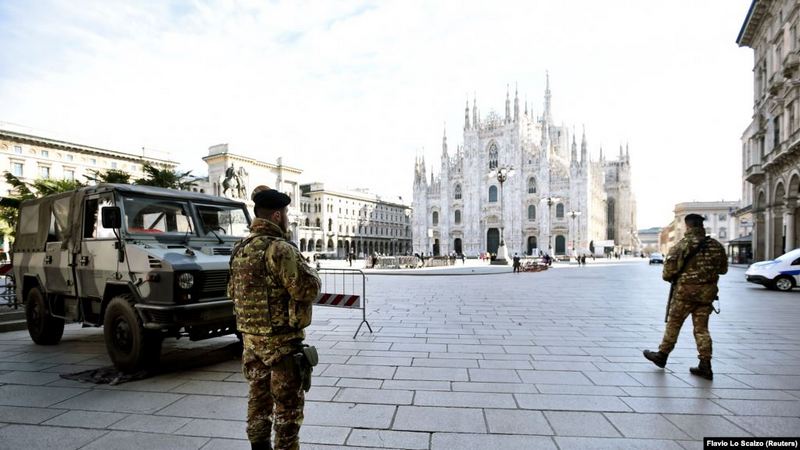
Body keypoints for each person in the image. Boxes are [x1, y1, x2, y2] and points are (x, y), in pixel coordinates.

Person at [229, 185, 321, 450]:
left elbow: (232, 293)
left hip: (251, 343)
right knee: (288, 409)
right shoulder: (279, 249)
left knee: (258, 400)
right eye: (286, 213)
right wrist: (311, 272)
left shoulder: (240, 249)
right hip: (281, 345)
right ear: (277, 216)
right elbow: (306, 289)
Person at [643, 213, 728, 380]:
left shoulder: (680, 246)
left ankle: (662, 355)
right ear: (702, 226)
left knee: (674, 324)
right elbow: (723, 270)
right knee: (702, 329)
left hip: (684, 295)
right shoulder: (716, 246)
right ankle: (705, 365)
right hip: (706, 296)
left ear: (687, 226)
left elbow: (667, 274)